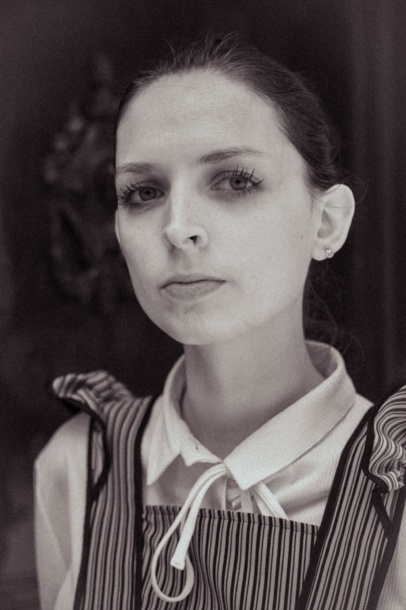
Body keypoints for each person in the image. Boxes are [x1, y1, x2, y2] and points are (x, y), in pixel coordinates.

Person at [34, 33, 406, 610]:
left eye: (235, 180)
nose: (177, 226)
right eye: (143, 191)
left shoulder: (395, 485)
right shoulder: (77, 466)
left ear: (327, 222)